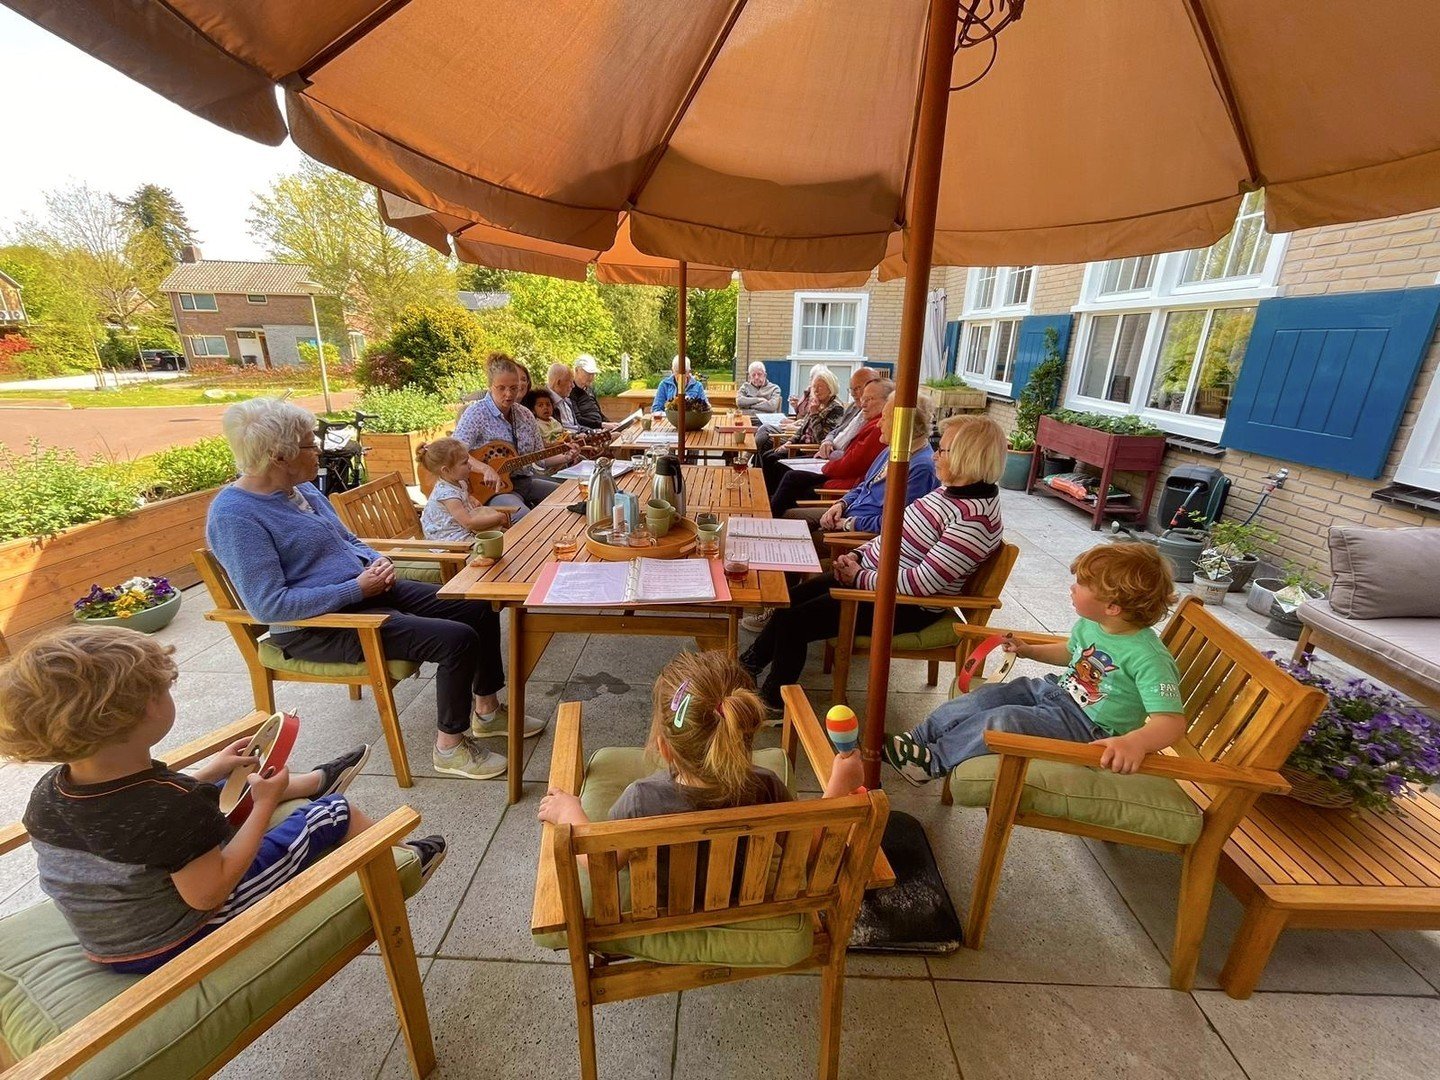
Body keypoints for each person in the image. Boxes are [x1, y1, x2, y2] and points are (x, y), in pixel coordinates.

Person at [0, 624, 447, 975]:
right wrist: (266, 806)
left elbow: (134, 817)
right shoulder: (170, 808)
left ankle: (313, 781)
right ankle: (402, 862)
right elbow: (209, 892)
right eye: (163, 688)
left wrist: (212, 770)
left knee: (211, 792)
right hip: (173, 938)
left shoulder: (52, 791)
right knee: (333, 814)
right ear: (136, 715)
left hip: (108, 935)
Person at [207, 396, 544, 782]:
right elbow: (269, 605)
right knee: (456, 639)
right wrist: (355, 589)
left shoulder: (302, 490)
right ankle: (449, 747)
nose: (317, 450)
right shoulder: (236, 516)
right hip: (317, 627)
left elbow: (346, 540)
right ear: (278, 456)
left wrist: (373, 561)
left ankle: (486, 710)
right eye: (308, 444)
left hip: (367, 591)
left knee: (476, 605)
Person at [742, 414, 1007, 710]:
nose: (934, 455)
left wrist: (859, 577)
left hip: (904, 605)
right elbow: (895, 535)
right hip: (874, 581)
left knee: (795, 622)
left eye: (942, 450)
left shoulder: (975, 520)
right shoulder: (950, 494)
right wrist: (857, 555)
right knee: (788, 600)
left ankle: (772, 702)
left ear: (967, 457)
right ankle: (746, 667)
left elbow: (923, 584)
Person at [883, 543, 1185, 785]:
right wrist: (1029, 651)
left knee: (1006, 720)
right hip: (1054, 692)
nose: (1072, 588)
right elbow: (1070, 653)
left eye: (1080, 584)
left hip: (1087, 727)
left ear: (1112, 607)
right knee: (987, 696)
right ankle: (916, 740)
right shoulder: (1092, 625)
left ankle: (932, 762)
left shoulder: (1149, 657)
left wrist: (1136, 743)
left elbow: (1171, 722)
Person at [536, 650, 863, 850]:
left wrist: (571, 814)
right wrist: (839, 786)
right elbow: (806, 849)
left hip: (663, 913)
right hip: (744, 900)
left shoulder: (640, 800)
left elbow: (596, 862)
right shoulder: (766, 787)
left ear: (665, 749)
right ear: (743, 734)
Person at [455, 352, 578, 508]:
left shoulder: (525, 415)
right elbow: (455, 453)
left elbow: (540, 458)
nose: (508, 394)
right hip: (493, 490)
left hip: (525, 482)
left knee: (571, 500)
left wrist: (567, 456)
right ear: (490, 386)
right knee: (525, 518)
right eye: (501, 388)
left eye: (514, 388)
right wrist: (485, 468)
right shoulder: (476, 413)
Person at [816, 392, 939, 534]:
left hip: (858, 537)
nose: (878, 424)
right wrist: (841, 504)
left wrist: (849, 524)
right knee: (792, 517)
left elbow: (897, 523)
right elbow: (864, 486)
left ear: (903, 425)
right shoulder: (891, 450)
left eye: (884, 418)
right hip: (847, 513)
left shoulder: (922, 468)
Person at [768, 377, 891, 517]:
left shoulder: (877, 427)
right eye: (855, 391)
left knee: (792, 478)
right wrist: (791, 441)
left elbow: (852, 464)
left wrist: (826, 466)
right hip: (834, 464)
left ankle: (772, 519)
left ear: (888, 402)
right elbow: (828, 432)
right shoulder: (862, 415)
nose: (863, 403)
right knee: (779, 465)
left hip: (844, 480)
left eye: (869, 399)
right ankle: (769, 510)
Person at [759, 366, 845, 494]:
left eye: (820, 386)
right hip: (799, 444)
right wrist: (789, 442)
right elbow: (802, 428)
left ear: (830, 388)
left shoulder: (836, 408)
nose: (815, 390)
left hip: (810, 450)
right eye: (814, 386)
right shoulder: (817, 402)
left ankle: (772, 495)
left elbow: (822, 438)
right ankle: (766, 493)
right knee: (767, 455)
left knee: (774, 460)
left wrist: (815, 414)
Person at [419, 437, 521, 541]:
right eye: (464, 463)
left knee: (509, 536)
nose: (470, 466)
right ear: (446, 470)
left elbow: (464, 495)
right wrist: (498, 518)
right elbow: (469, 523)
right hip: (449, 538)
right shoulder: (448, 496)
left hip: (462, 529)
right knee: (501, 542)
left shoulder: (459, 482)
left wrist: (472, 499)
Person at [815, 367, 883, 461]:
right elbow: (836, 430)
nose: (853, 394)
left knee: (792, 475)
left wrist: (814, 414)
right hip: (828, 456)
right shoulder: (853, 407)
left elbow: (856, 457)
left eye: (858, 388)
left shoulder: (876, 418)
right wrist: (827, 441)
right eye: (851, 389)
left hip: (838, 460)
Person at [569, 354, 614, 431]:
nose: (591, 377)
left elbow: (598, 413)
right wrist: (602, 425)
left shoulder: (589, 389)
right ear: (576, 370)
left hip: (600, 428)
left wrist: (612, 424)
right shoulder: (570, 391)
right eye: (588, 373)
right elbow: (578, 419)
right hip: (589, 432)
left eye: (593, 373)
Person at [545, 362, 593, 432]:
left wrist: (593, 432)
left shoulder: (567, 402)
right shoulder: (544, 403)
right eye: (570, 382)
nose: (573, 386)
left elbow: (576, 427)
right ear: (558, 382)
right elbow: (556, 433)